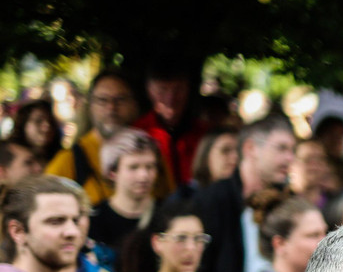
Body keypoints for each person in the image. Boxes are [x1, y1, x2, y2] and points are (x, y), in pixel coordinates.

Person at [198, 115, 296, 272]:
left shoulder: (289, 202)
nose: (290, 158)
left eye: (292, 150)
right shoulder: (213, 199)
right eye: (281, 148)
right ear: (250, 149)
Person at [46, 71, 169, 206]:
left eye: (120, 99)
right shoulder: (69, 160)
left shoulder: (152, 154)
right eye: (102, 100)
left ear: (134, 104)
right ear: (90, 106)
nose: (111, 107)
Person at [132, 61, 207, 190]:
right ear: (149, 91)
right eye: (162, 90)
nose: (170, 99)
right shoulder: (137, 133)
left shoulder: (204, 134)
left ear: (188, 90)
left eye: (178, 90)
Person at [90, 129, 161, 261]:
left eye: (150, 167)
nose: (144, 175)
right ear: (112, 172)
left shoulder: (167, 214)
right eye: (133, 167)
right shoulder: (94, 220)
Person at [9, 100, 61, 169]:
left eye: (51, 122)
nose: (47, 127)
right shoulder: (8, 156)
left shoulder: (62, 157)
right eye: (38, 121)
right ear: (23, 124)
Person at [188, 129, 240, 194]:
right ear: (206, 155)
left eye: (239, 151)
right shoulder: (187, 197)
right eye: (225, 150)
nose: (235, 156)